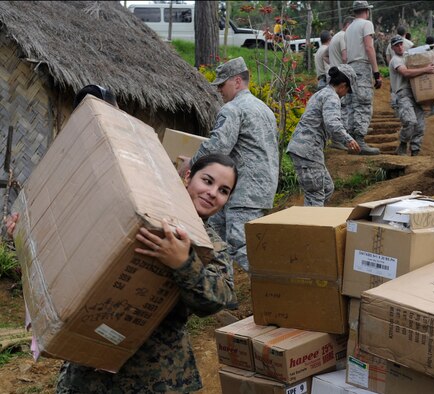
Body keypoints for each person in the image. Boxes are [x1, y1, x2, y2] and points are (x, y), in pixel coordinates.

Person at [5, 153, 238, 392]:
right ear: (188, 176)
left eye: (223, 190)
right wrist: (24, 236)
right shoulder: (141, 209)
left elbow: (216, 302)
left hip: (154, 375)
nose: (212, 193)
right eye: (207, 181)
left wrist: (184, 264)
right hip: (89, 366)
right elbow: (73, 251)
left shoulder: (213, 247)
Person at [178, 57, 278, 272]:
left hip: (244, 190)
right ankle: (223, 289)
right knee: (215, 237)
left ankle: (275, 290)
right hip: (260, 188)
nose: (219, 90)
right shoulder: (264, 109)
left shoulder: (233, 109)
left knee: (240, 245)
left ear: (237, 81)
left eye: (222, 85)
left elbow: (218, 147)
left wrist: (191, 165)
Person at [287, 65, 361, 206]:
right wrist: (349, 140)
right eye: (348, 90)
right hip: (308, 150)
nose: (346, 94)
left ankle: (309, 218)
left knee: (327, 188)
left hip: (305, 149)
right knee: (315, 195)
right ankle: (312, 225)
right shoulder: (332, 97)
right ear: (343, 85)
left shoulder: (321, 93)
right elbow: (332, 123)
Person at [389, 35, 434, 156]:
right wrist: (426, 69)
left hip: (415, 94)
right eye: (396, 45)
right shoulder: (396, 60)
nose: (400, 47)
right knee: (410, 121)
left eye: (401, 44)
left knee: (420, 125)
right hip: (402, 94)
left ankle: (415, 150)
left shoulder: (408, 57)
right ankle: (403, 144)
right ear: (392, 48)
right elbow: (405, 73)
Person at [345, 0, 382, 155]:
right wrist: (376, 72)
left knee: (352, 104)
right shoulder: (366, 24)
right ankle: (359, 141)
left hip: (350, 67)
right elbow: (369, 47)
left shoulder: (349, 28)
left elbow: (346, 52)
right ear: (366, 11)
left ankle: (352, 142)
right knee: (363, 103)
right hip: (362, 66)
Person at [325, 16, 354, 151]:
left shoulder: (335, 36)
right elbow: (344, 56)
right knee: (344, 110)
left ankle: (338, 139)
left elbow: (325, 56)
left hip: (335, 75)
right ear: (348, 25)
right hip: (342, 76)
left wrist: (333, 67)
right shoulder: (343, 36)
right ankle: (339, 140)